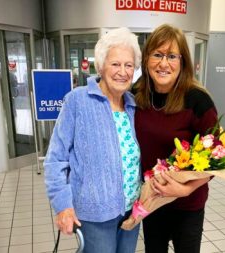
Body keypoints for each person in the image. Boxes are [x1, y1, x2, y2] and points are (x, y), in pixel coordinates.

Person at [44, 27, 142, 253]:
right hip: (95, 214)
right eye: (115, 64)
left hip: (131, 212)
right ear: (101, 66)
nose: (122, 72)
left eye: (129, 65)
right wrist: (63, 205)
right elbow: (56, 159)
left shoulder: (133, 105)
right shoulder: (77, 101)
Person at [133, 24, 219, 253]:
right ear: (146, 59)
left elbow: (218, 158)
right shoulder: (136, 95)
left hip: (187, 204)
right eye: (157, 55)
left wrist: (186, 189)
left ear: (183, 61)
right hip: (152, 199)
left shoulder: (197, 100)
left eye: (172, 56)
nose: (163, 64)